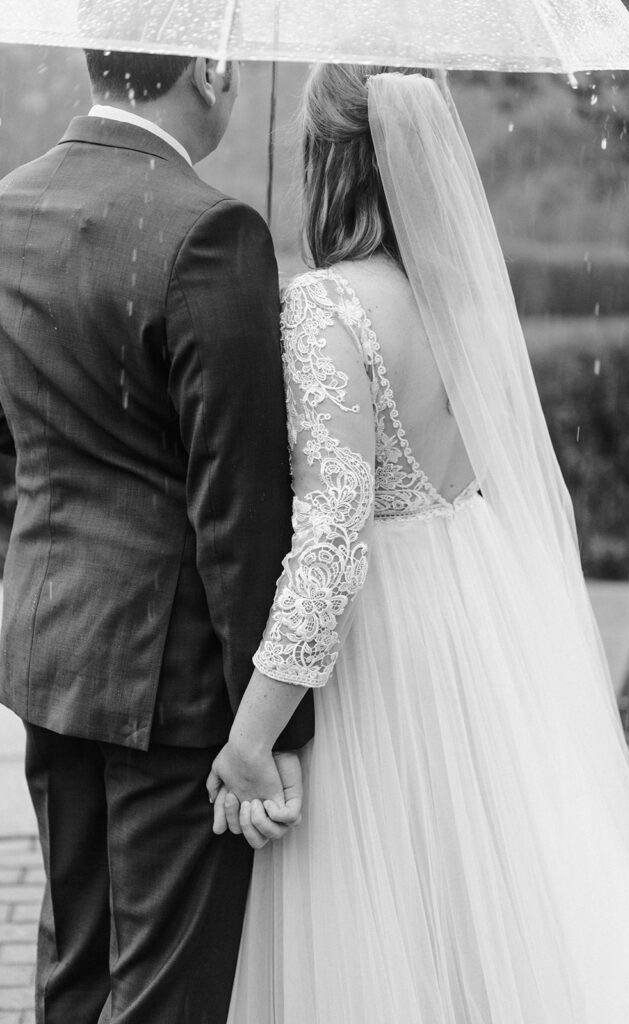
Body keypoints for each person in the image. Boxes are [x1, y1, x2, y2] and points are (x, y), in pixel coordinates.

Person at [214, 65, 629, 1022]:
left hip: (378, 645)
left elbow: (333, 544)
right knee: (482, 902)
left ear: (330, 160)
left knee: (381, 921)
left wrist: (252, 738)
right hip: (471, 614)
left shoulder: (324, 307)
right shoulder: (462, 297)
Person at [0, 49, 312, 1024]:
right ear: (211, 71)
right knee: (163, 995)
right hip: (170, 690)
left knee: (74, 970)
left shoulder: (8, 206)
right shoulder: (211, 232)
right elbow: (239, 509)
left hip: (49, 651)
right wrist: (270, 727)